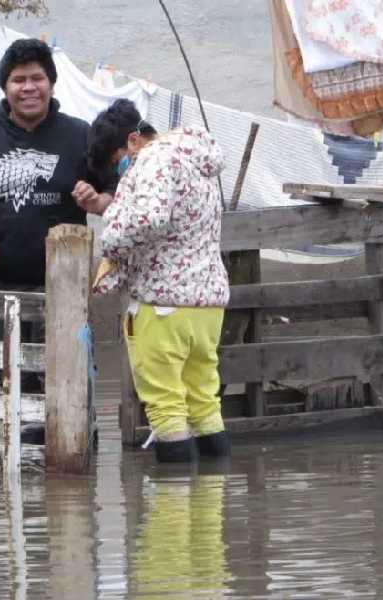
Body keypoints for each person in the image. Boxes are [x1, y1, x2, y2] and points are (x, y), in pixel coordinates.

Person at [0, 39, 109, 437]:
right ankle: (33, 459)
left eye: (37, 78)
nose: (29, 87)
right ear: (5, 87)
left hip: (62, 289)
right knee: (14, 382)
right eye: (19, 80)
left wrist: (96, 199)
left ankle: (77, 451)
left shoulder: (80, 137)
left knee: (68, 384)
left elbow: (114, 192)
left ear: (51, 83)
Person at [75, 99, 231, 463]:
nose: (123, 171)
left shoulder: (152, 159)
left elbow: (149, 219)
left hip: (163, 305)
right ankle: (213, 494)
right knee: (204, 402)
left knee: (166, 408)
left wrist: (111, 239)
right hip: (207, 305)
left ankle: (173, 499)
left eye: (119, 162)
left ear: (133, 141)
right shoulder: (193, 159)